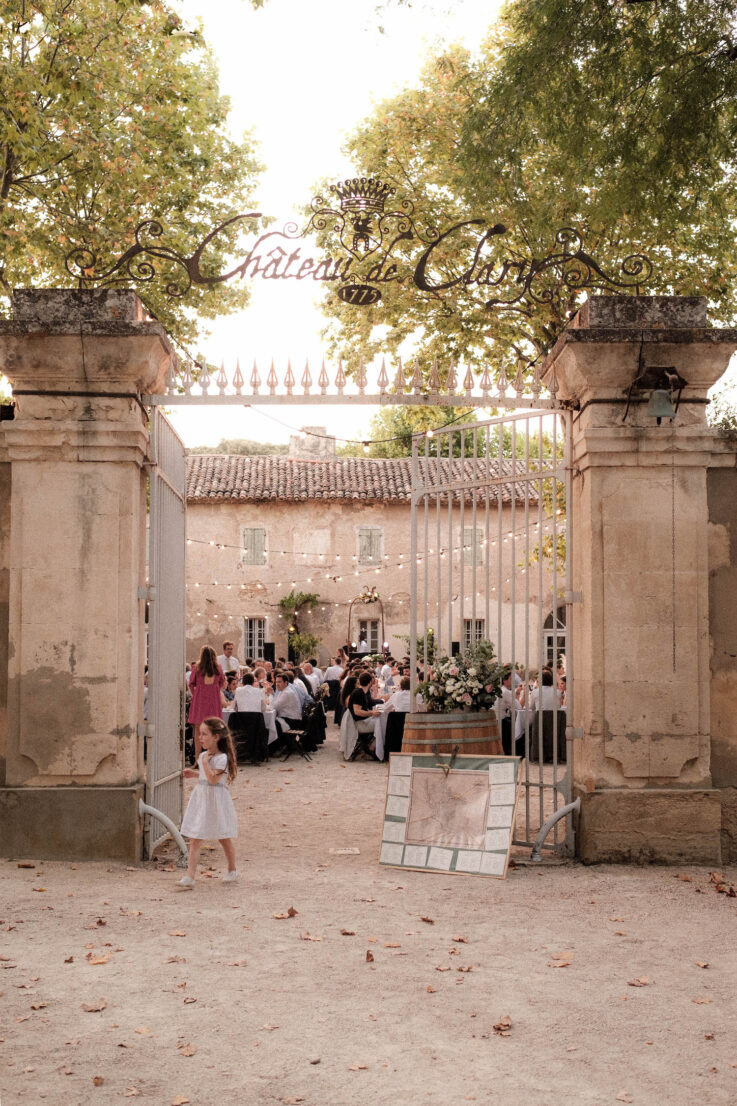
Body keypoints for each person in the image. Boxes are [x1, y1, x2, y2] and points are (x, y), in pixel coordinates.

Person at [178, 717, 238, 887]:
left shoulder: (222, 758)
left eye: (204, 734)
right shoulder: (205, 755)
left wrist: (204, 763)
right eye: (200, 734)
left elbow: (213, 779)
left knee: (223, 836)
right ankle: (190, 875)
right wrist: (195, 773)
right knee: (196, 837)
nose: (200, 737)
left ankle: (232, 869)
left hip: (217, 800)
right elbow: (206, 776)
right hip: (202, 798)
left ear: (216, 737)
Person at [188, 646, 226, 758]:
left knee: (197, 731)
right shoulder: (218, 668)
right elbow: (222, 683)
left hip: (200, 700)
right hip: (213, 701)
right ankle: (213, 756)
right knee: (214, 730)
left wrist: (196, 693)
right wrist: (215, 689)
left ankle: (197, 758)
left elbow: (191, 683)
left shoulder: (197, 668)